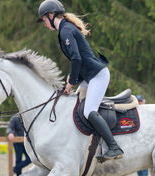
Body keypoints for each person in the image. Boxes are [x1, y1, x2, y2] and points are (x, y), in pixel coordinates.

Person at [36, 0, 123, 161]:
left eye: (44, 20)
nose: (44, 24)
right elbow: (79, 59)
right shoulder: (65, 29)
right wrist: (73, 80)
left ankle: (114, 147)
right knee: (74, 106)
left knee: (89, 111)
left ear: (51, 15)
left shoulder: (66, 30)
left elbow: (76, 58)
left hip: (97, 75)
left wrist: (71, 81)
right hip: (89, 76)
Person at [136, 95, 150, 176]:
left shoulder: (146, 110)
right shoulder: (140, 110)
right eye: (139, 101)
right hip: (141, 136)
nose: (140, 102)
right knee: (142, 156)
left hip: (143, 135)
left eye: (141, 101)